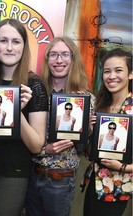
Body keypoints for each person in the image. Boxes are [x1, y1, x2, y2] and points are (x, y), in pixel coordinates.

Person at [0, 18, 48, 216]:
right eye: (3, 41)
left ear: (24, 46)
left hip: (12, 176)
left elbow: (37, 145)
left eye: (16, 41)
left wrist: (16, 111)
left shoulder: (34, 85)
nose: (9, 47)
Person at [25, 37, 95, 216]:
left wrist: (89, 129)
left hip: (61, 180)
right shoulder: (36, 93)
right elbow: (24, 135)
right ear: (47, 59)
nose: (59, 60)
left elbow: (82, 149)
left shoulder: (86, 100)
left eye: (65, 54)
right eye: (53, 54)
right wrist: (44, 149)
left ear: (73, 59)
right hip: (31, 175)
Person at [81, 48, 132, 216]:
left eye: (118, 70)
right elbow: (90, 154)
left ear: (131, 74)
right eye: (107, 71)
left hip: (117, 189)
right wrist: (90, 131)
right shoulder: (101, 107)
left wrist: (123, 167)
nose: (111, 76)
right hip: (94, 183)